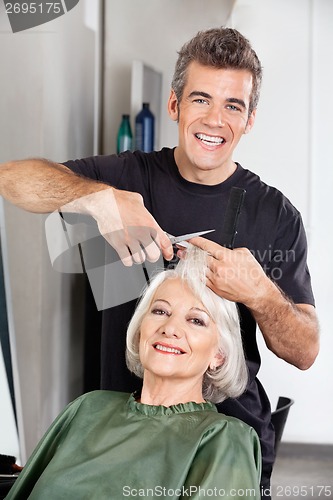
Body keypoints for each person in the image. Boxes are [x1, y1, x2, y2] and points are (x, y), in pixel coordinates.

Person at [0, 27, 319, 497]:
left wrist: (259, 292)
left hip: (223, 445)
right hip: (123, 432)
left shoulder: (274, 216)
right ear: (174, 105)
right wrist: (98, 198)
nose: (215, 119)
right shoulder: (127, 177)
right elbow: (12, 179)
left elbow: (305, 350)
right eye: (201, 99)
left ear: (250, 119)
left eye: (233, 105)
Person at [5, 247, 261, 500]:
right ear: (140, 331)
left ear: (219, 355)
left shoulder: (225, 439)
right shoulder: (87, 409)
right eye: (160, 311)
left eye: (196, 320)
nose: (170, 328)